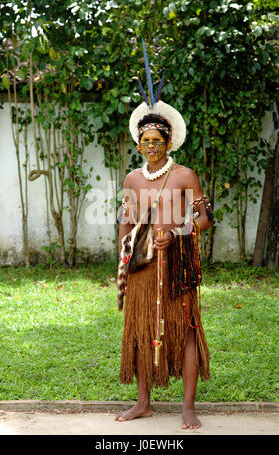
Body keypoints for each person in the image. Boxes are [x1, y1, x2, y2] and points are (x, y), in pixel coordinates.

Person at [115, 46, 213, 430]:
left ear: (169, 142)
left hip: (179, 266)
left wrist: (177, 232)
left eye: (158, 141)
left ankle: (188, 408)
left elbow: (204, 218)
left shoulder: (186, 175)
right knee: (141, 332)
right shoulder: (132, 180)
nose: (152, 147)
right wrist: (121, 265)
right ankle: (144, 403)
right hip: (141, 265)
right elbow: (125, 224)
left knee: (186, 331)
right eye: (146, 142)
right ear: (138, 143)